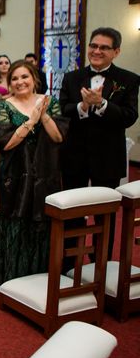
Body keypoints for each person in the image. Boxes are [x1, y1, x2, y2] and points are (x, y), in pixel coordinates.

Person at [60, 27, 140, 261]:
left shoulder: (128, 79)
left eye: (103, 47)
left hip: (107, 156)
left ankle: (100, 264)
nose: (96, 51)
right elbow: (63, 109)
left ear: (116, 51)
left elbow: (129, 116)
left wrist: (103, 104)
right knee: (72, 211)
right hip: (75, 155)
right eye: (93, 46)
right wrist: (82, 107)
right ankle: (68, 263)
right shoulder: (72, 77)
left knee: (103, 213)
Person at [0, 60, 67, 290]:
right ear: (9, 83)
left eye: (24, 77)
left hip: (45, 171)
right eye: (14, 78)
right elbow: (8, 143)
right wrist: (31, 119)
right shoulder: (4, 106)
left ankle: (39, 276)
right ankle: (11, 277)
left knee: (42, 220)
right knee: (16, 221)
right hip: (14, 174)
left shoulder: (50, 102)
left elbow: (58, 137)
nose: (20, 82)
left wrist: (42, 114)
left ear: (34, 79)